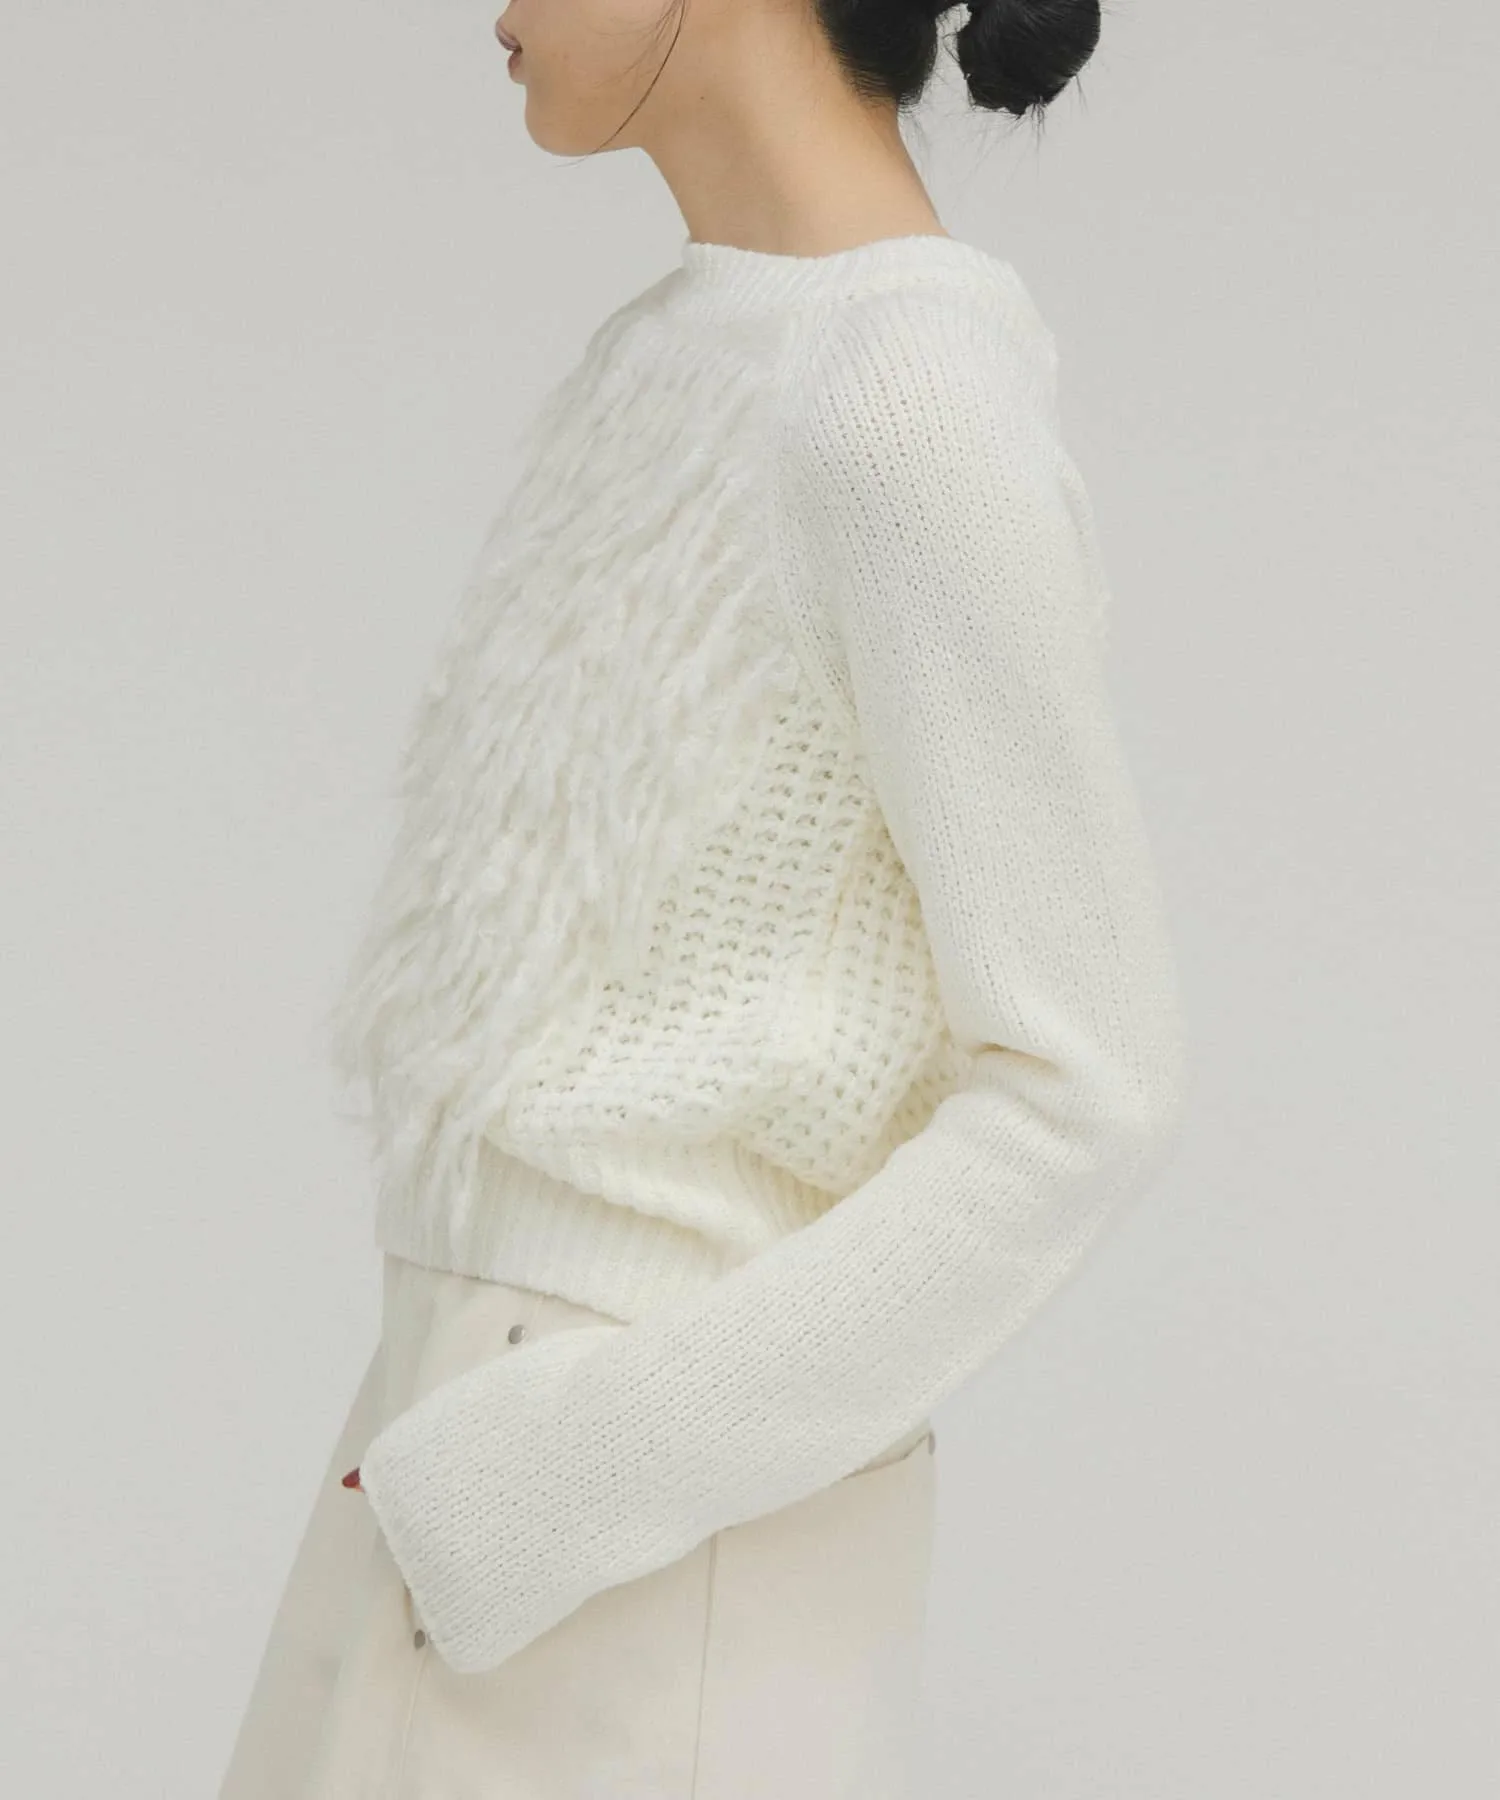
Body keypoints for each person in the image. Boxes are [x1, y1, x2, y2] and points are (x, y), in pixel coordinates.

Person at [217, 0, 1188, 1793]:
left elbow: (1086, 1088)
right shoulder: (686, 346)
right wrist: (470, 1462)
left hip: (638, 1536)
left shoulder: (903, 400)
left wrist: (549, 1475)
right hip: (467, 1465)